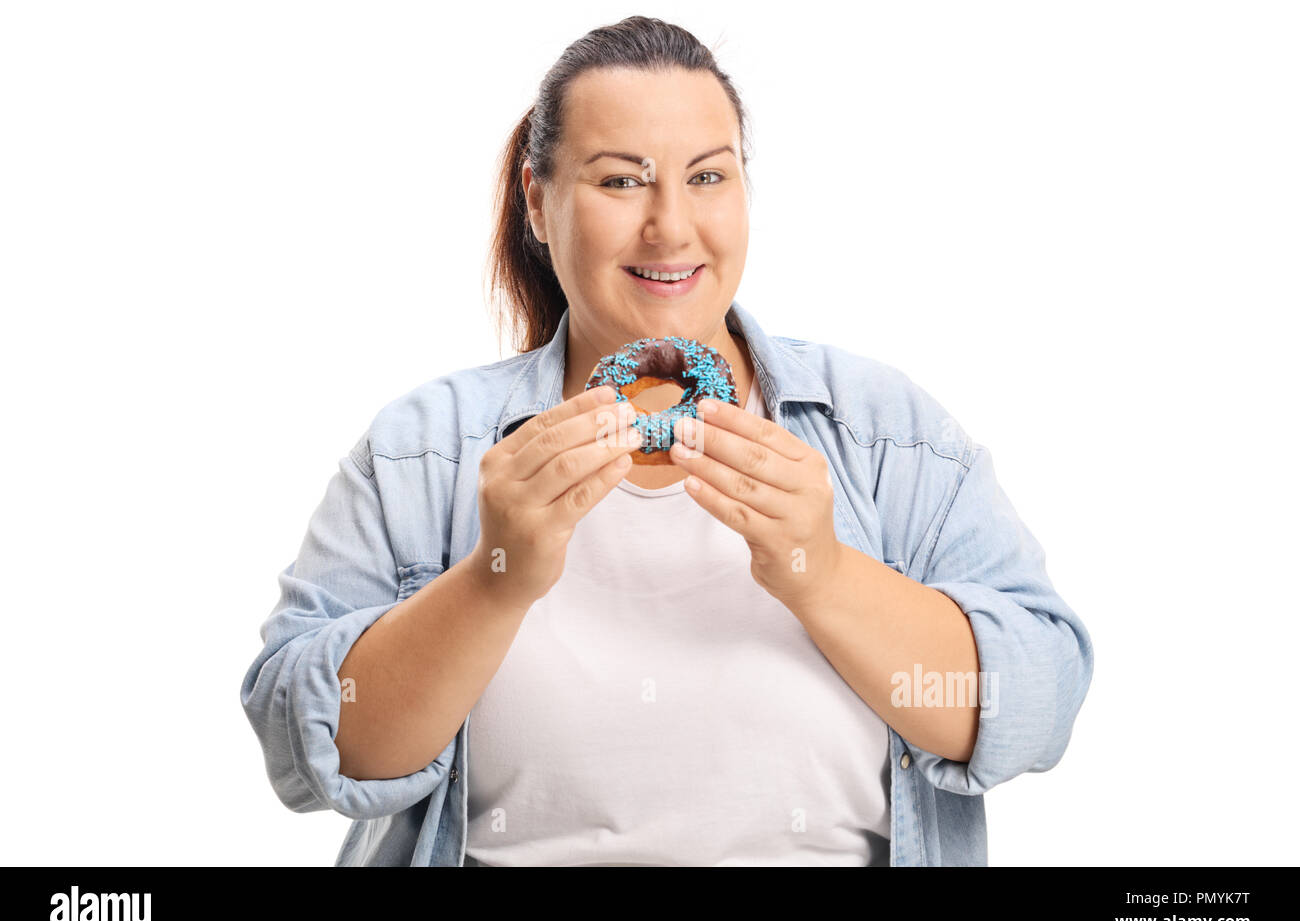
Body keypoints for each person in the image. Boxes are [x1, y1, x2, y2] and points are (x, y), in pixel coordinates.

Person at [240, 15, 1094, 866]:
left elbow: (1040, 705)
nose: (672, 228)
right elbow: (306, 751)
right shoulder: (420, 454)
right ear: (538, 201)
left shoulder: (884, 434)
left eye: (708, 177)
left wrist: (825, 574)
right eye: (621, 183)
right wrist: (493, 581)